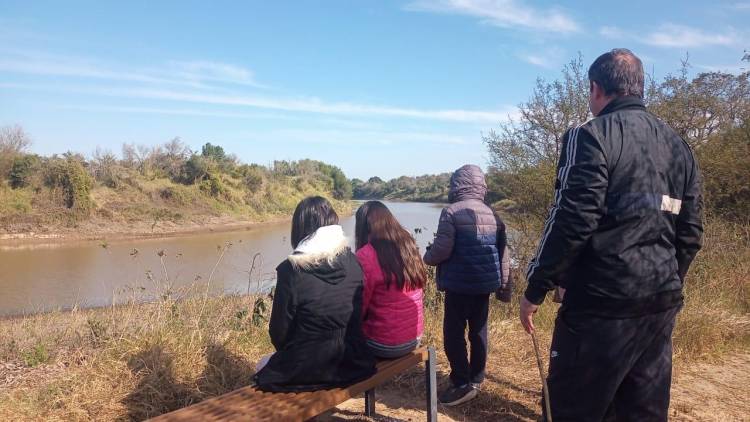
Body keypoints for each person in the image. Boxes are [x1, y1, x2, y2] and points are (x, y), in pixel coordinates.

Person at [520, 49, 703, 421]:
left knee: (571, 409)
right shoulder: (679, 145)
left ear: (596, 88)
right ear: (638, 86)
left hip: (599, 307)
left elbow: (571, 219)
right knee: (642, 412)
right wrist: (667, 279)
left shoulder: (589, 135)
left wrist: (537, 286)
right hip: (659, 304)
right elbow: (691, 230)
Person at [254, 196, 376, 392]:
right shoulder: (353, 262)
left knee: (261, 365)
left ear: (300, 227)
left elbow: (279, 334)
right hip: (353, 362)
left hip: (304, 368)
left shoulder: (291, 270)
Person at [423, 164, 511, 406]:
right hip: (484, 286)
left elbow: (442, 250)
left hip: (458, 285)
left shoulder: (451, 212)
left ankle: (461, 381)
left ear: (457, 185)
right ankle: (477, 376)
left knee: (453, 333)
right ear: (481, 186)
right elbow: (504, 254)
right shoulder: (493, 214)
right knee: (479, 331)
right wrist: (504, 285)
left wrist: (427, 256)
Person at [355, 201, 426, 359]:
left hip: (383, 345)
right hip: (415, 337)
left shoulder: (365, 254)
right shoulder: (409, 244)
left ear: (363, 227)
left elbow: (360, 306)